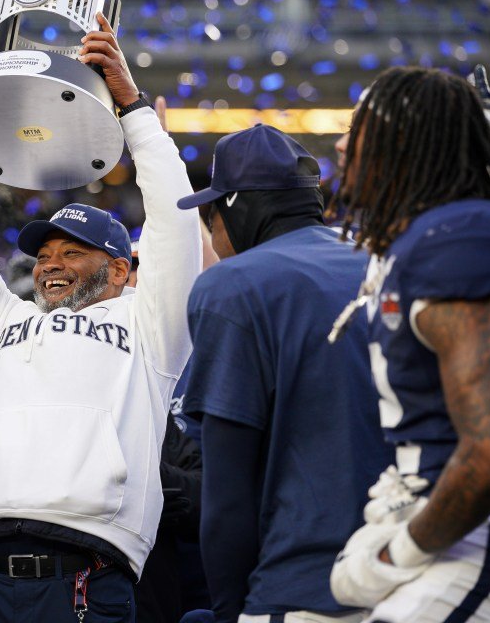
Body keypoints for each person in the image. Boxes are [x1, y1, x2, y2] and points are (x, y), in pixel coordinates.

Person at [0, 15, 201, 623]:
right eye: (44, 255)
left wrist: (135, 112)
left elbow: (176, 224)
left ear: (121, 268)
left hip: (87, 573)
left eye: (72, 253)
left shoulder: (150, 326)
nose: (50, 265)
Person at [329, 65, 490, 621]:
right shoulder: (420, 237)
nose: (340, 145)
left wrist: (398, 552)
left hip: (483, 537)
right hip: (451, 526)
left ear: (405, 145)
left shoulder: (459, 233)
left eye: (360, 129)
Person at [178, 124, 389, 623]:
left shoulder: (233, 285)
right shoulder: (387, 262)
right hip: (410, 572)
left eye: (211, 215)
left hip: (302, 588)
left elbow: (227, 493)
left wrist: (230, 610)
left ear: (237, 208)